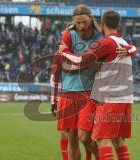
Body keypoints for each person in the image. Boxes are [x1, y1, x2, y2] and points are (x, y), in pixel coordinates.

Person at [50, 5, 131, 160]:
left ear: (91, 19)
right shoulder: (68, 35)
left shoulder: (102, 36)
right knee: (72, 138)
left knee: (88, 137)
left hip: (93, 93)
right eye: (78, 22)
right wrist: (54, 98)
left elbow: (119, 47)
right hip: (69, 92)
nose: (81, 26)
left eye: (84, 22)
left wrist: (131, 49)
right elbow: (61, 63)